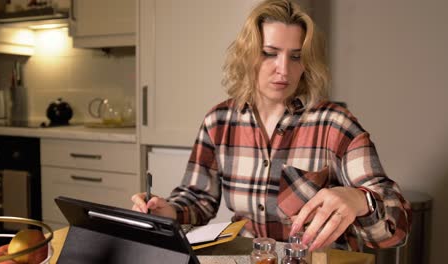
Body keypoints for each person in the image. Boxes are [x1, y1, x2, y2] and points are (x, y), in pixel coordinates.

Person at [132, 0, 411, 252]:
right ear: (248, 55)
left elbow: (396, 231)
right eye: (270, 53)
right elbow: (197, 198)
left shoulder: (335, 124)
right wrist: (168, 212)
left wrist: (361, 200)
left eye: (295, 56)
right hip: (249, 257)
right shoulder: (218, 121)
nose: (283, 69)